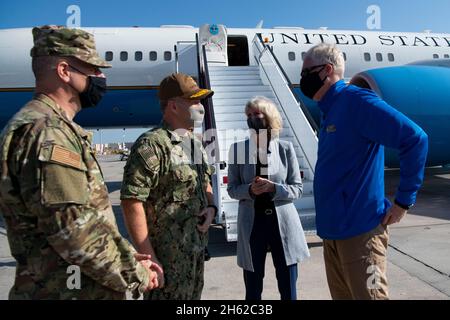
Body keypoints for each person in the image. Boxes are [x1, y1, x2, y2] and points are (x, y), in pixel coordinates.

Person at [0, 25, 160, 300]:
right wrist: (136, 273)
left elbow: (89, 217)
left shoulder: (52, 128)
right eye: (92, 70)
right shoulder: (49, 133)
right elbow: (75, 233)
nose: (101, 77)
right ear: (64, 71)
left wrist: (128, 253)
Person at [300, 43, 428, 300]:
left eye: (306, 73)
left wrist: (403, 202)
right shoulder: (330, 110)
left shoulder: (356, 101)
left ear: (327, 70)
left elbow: (415, 138)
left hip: (360, 234)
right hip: (334, 234)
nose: (303, 79)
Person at [120, 73, 217, 300]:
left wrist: (211, 208)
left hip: (194, 254)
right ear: (173, 106)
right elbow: (132, 200)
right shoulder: (153, 144)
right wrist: (148, 256)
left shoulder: (194, 143)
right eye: (194, 101)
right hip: (166, 262)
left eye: (201, 100)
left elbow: (205, 182)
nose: (200, 106)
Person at [227, 96, 310, 300]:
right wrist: (250, 190)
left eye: (257, 114)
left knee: (288, 285)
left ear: (269, 116)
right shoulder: (237, 149)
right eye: (249, 115)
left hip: (281, 223)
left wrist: (274, 188)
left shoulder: (285, 148)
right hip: (253, 224)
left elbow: (297, 189)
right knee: (253, 287)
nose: (252, 118)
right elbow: (232, 189)